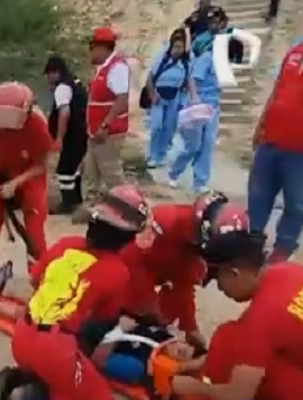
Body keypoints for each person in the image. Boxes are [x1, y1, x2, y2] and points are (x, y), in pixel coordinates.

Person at [0, 184, 151, 399]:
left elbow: (36, 280)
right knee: (98, 394)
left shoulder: (66, 244)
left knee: (52, 372)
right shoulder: (118, 272)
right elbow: (103, 318)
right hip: (57, 351)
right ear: (127, 237)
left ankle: (17, 380)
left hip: (21, 336)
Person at [170, 202, 303, 400]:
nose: (220, 289)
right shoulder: (288, 270)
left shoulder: (261, 320)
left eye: (218, 280)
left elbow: (239, 396)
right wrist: (196, 363)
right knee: (236, 337)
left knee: (228, 340)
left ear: (234, 273)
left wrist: (196, 387)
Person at [120, 191, 229, 350]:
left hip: (158, 267)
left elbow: (184, 285)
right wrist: (149, 306)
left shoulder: (196, 247)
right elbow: (132, 261)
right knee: (125, 310)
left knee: (169, 308)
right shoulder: (162, 222)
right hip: (129, 265)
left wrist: (190, 328)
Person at [0, 82, 53, 280]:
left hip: (29, 175)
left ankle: (38, 274)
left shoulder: (38, 127)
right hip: (2, 170)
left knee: (34, 226)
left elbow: (41, 165)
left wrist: (15, 184)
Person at [248, 41, 303, 264]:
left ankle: (282, 251)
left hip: (300, 151)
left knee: (297, 204)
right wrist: (261, 124)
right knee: (258, 194)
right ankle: (252, 242)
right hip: (271, 140)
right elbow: (277, 89)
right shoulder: (295, 52)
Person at [73, 27, 129, 224]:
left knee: (111, 173)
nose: (90, 53)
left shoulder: (116, 68)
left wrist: (106, 125)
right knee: (90, 173)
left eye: (92, 48)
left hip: (107, 133)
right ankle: (92, 209)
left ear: (102, 47)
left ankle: (126, 210)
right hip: (95, 132)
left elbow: (122, 99)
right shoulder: (103, 68)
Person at [168, 25, 221, 193]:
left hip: (213, 107)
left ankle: (200, 181)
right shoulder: (207, 58)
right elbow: (193, 79)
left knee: (207, 144)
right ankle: (174, 172)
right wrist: (194, 98)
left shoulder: (223, 63)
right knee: (193, 145)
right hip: (198, 105)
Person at [44, 55, 88, 214]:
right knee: (75, 168)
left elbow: (64, 113)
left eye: (49, 74)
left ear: (55, 72)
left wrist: (59, 138)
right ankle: (76, 200)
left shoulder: (62, 88)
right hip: (83, 130)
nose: (48, 79)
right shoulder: (75, 82)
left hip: (72, 133)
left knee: (65, 169)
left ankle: (68, 203)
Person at [146, 29, 196, 168]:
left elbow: (189, 79)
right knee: (156, 127)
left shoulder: (187, 61)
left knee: (169, 127)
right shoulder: (162, 58)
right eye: (175, 46)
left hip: (175, 97)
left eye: (180, 47)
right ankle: (153, 154)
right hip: (159, 95)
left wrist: (190, 97)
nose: (177, 50)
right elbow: (150, 77)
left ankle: (161, 155)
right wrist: (152, 94)